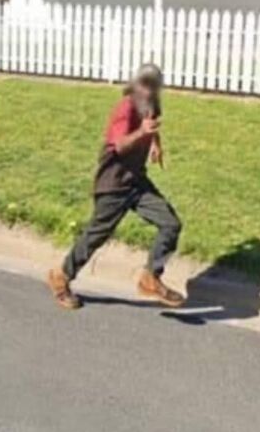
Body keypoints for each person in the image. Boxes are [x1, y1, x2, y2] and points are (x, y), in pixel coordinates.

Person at [48, 62, 184, 310]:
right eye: (144, 86)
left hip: (136, 181)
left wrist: (155, 142)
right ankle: (61, 276)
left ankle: (150, 277)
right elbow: (120, 145)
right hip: (113, 184)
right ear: (135, 84)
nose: (149, 92)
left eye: (153, 87)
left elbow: (151, 124)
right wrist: (143, 133)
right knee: (96, 235)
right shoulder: (125, 107)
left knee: (170, 223)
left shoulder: (151, 103)